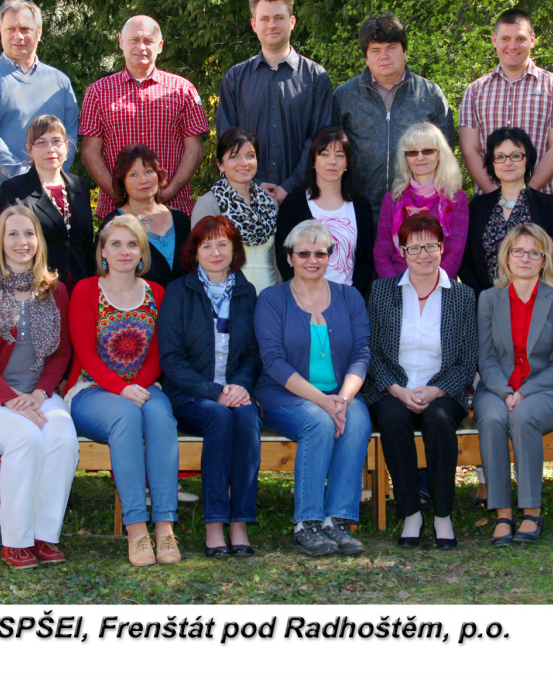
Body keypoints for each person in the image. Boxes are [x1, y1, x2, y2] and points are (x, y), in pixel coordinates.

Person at [0, 206, 77, 569]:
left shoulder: (55, 291)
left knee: (62, 438)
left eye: (28, 233)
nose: (21, 242)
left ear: (38, 240)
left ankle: (44, 535)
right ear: (0, 241)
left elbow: (62, 352)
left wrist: (40, 393)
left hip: (39, 393)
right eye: (13, 234)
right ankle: (16, 541)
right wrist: (10, 399)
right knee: (25, 439)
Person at [67, 215, 181, 566]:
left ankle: (165, 527)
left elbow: (159, 353)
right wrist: (122, 388)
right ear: (102, 251)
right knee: (127, 417)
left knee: (161, 416)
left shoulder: (156, 293)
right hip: (91, 388)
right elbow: (86, 353)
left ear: (142, 252)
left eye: (132, 244)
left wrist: (136, 386)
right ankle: (136, 529)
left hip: (143, 386)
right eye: (115, 244)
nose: (124, 251)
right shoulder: (86, 290)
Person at [254, 221, 372, 557]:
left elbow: (361, 353)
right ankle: (307, 523)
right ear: (289, 257)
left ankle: (336, 520)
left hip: (339, 392)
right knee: (318, 422)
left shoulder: (349, 296)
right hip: (283, 394)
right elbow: (273, 361)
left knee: (358, 420)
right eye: (303, 253)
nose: (312, 260)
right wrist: (323, 401)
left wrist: (343, 398)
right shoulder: (272, 299)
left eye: (320, 253)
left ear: (330, 256)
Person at [364, 214, 477, 549]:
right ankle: (411, 512)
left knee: (439, 419)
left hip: (443, 390)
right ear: (402, 251)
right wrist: (397, 390)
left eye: (430, 246)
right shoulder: (382, 291)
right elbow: (372, 352)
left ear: (442, 248)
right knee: (392, 417)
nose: (423, 254)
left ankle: (442, 514)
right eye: (414, 248)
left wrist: (434, 390)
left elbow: (467, 359)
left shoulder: (462, 295)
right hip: (392, 388)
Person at [158, 216, 261, 557]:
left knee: (246, 417)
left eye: (222, 244)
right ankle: (214, 524)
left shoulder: (247, 292)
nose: (215, 252)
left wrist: (240, 387)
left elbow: (252, 354)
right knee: (220, 416)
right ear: (195, 252)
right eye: (207, 246)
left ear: (234, 250)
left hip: (235, 392)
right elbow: (171, 360)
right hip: (189, 396)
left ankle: (240, 522)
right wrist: (215, 392)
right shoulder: (178, 291)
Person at [475, 223, 553, 546]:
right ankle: (503, 513)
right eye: (518, 251)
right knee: (492, 419)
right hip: (496, 388)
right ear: (507, 257)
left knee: (523, 417)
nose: (525, 258)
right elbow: (487, 358)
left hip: (545, 390)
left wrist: (523, 393)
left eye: (534, 253)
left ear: (545, 260)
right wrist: (506, 392)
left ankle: (532, 511)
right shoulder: (489, 299)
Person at [79, 15, 210, 218]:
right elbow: (90, 152)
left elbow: (195, 149)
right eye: (134, 40)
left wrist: (169, 191)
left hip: (172, 209)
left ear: (160, 46)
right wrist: (119, 195)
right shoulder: (98, 91)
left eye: (148, 41)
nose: (141, 47)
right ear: (121, 42)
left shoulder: (183, 89)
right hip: (118, 211)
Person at [332, 13, 455, 216]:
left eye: (391, 48)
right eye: (376, 50)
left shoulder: (430, 94)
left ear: (405, 51)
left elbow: (446, 152)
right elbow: (332, 153)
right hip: (359, 210)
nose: (384, 56)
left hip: (418, 211)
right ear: (366, 57)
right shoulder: (345, 96)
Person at [217, 0, 334, 202]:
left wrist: (290, 186)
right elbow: (227, 141)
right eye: (264, 19)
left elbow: (321, 140)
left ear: (292, 22)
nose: (272, 25)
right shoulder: (235, 79)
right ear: (254, 25)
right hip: (246, 198)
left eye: (279, 18)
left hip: (303, 199)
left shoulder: (316, 77)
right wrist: (254, 184)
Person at [0, 0, 79, 215]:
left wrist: (52, 176)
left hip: (52, 192)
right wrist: (25, 177)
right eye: (11, 29)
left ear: (39, 32)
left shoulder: (60, 82)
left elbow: (70, 135)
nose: (18, 36)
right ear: (1, 32)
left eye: (25, 29)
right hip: (1, 192)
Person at [459, 8, 553, 196]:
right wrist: (499, 196)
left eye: (520, 38)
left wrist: (524, 195)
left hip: (539, 199)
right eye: (505, 38)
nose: (512, 46)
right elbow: (469, 151)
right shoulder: (475, 91)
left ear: (532, 40)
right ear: (494, 40)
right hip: (489, 201)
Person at [0, 115, 94, 293]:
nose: (50, 149)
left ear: (67, 146)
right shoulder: (14, 190)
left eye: (56, 141)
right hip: (36, 290)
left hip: (80, 289)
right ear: (30, 149)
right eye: (41, 142)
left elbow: (87, 245)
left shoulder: (80, 186)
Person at [460, 126, 553, 297]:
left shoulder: (548, 206)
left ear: (527, 159)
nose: (508, 163)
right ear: (492, 162)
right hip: (485, 303)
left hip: (534, 302)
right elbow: (466, 262)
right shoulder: (477, 207)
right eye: (500, 157)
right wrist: (485, 299)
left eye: (516, 155)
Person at [274, 126, 375, 298]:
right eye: (324, 154)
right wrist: (306, 296)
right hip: (303, 301)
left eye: (339, 155)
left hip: (347, 301)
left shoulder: (361, 205)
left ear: (347, 162)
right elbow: (284, 256)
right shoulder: (294, 204)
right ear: (313, 160)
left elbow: (366, 260)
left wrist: (351, 298)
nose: (332, 161)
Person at [373, 123, 470, 279]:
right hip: (397, 285)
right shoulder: (392, 199)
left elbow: (455, 253)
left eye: (427, 151)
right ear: (405, 158)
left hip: (440, 286)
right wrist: (397, 286)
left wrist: (433, 286)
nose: (420, 157)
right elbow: (382, 253)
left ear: (440, 154)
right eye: (412, 152)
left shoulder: (456, 198)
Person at [193, 128, 280, 294]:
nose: (244, 163)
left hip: (270, 298)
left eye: (250, 156)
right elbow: (201, 258)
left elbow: (276, 259)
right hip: (229, 299)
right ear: (220, 165)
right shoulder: (209, 205)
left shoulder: (270, 205)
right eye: (234, 156)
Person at [99, 144, 191, 288]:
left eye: (148, 171)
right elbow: (102, 273)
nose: (143, 180)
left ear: (158, 175)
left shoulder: (180, 220)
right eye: (133, 174)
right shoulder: (113, 224)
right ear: (122, 182)